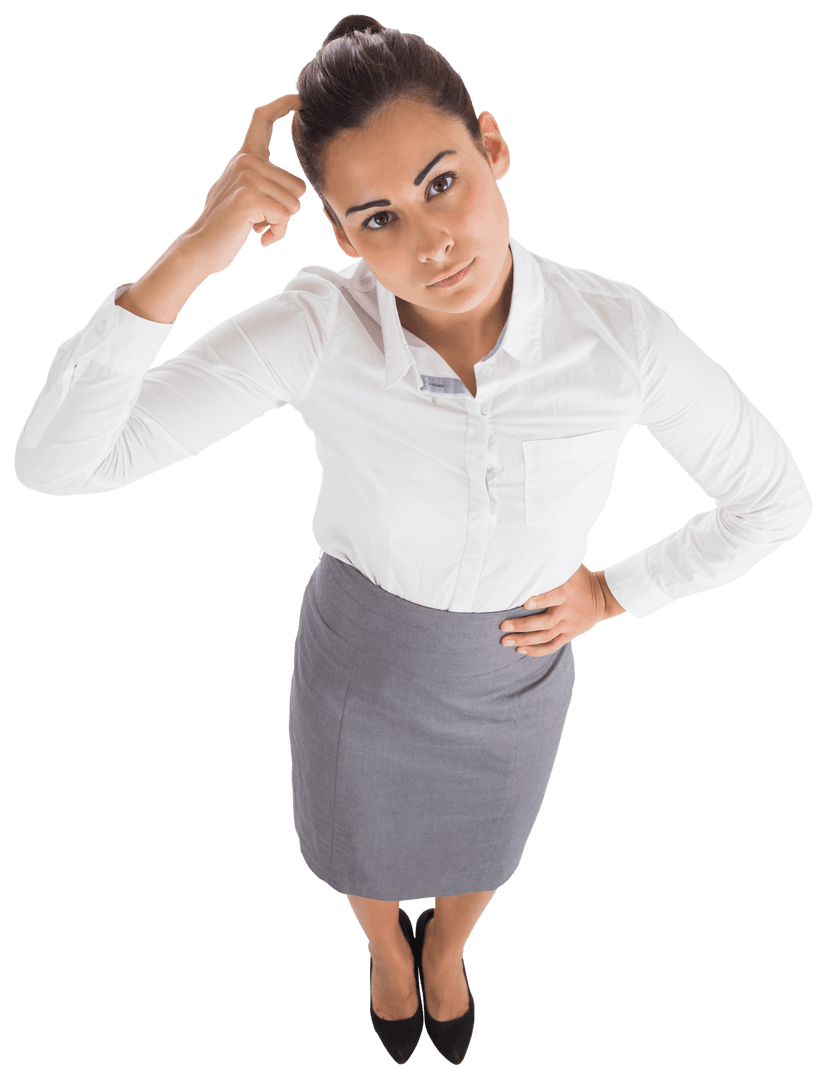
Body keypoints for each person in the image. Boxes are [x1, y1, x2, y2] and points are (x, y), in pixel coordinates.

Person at [12, 12, 813, 1067]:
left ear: (492, 148)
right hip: (363, 660)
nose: (429, 244)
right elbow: (58, 463)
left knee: (492, 837)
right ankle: (390, 950)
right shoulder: (314, 329)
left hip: (520, 662)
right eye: (377, 217)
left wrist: (617, 592)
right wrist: (195, 253)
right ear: (340, 235)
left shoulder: (615, 336)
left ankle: (449, 953)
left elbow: (772, 499)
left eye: (441, 183)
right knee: (360, 844)